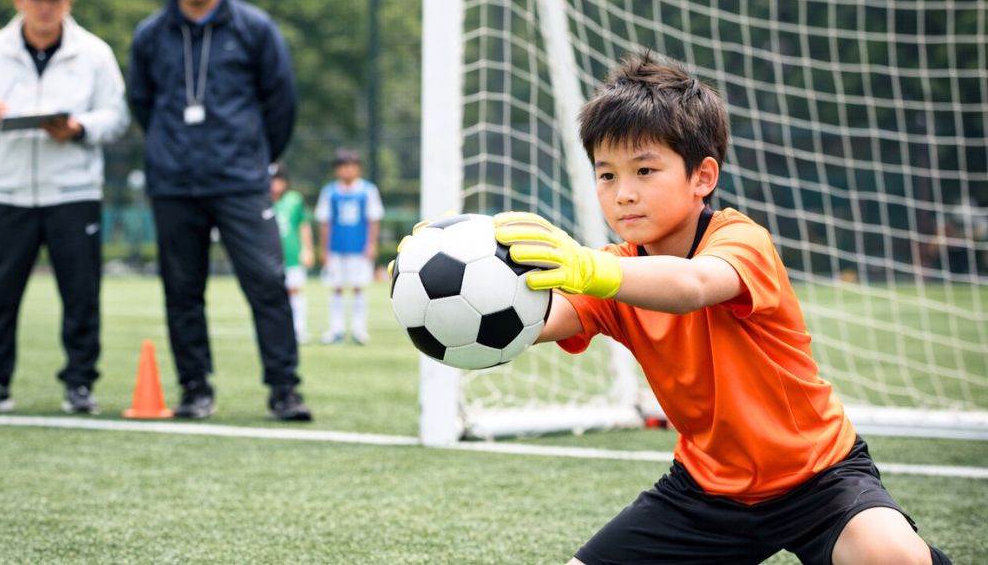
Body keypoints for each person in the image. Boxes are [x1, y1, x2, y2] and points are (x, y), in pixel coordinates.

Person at [473, 53, 948, 564]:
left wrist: (588, 268)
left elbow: (693, 284)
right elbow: (541, 320)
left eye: (645, 170)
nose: (623, 194)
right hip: (704, 490)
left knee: (893, 556)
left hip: (818, 477)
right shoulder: (613, 270)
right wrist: (464, 286)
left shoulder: (740, 241)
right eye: (606, 175)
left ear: (702, 177)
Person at [128, 0, 310, 421]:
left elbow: (282, 101)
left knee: (268, 282)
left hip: (240, 181)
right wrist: (172, 149)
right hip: (173, 183)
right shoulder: (150, 35)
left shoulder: (254, 27)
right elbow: (141, 102)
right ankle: (195, 389)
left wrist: (258, 158)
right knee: (182, 291)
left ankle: (284, 389)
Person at [0, 0, 129, 414]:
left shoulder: (93, 53)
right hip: (7, 191)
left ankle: (80, 383)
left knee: (81, 294)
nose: (45, 8)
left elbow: (117, 115)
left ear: (68, 3)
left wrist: (79, 127)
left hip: (73, 191)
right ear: (19, 0)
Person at [315, 148, 383, 345]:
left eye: (351, 166)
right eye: (343, 166)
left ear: (358, 168)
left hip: (358, 249)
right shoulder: (330, 192)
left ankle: (359, 329)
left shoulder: (368, 191)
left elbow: (373, 220)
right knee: (336, 287)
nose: (347, 170)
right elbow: (325, 222)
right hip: (336, 248)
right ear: (337, 169)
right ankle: (336, 329)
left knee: (358, 287)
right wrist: (324, 249)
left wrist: (371, 244)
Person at [270, 164, 314, 344]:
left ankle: (298, 329)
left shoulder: (294, 199)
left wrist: (308, 249)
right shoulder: (259, 200)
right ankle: (275, 331)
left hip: (292, 255)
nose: (274, 184)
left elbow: (304, 225)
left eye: (278, 180)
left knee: (294, 292)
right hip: (269, 257)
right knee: (272, 294)